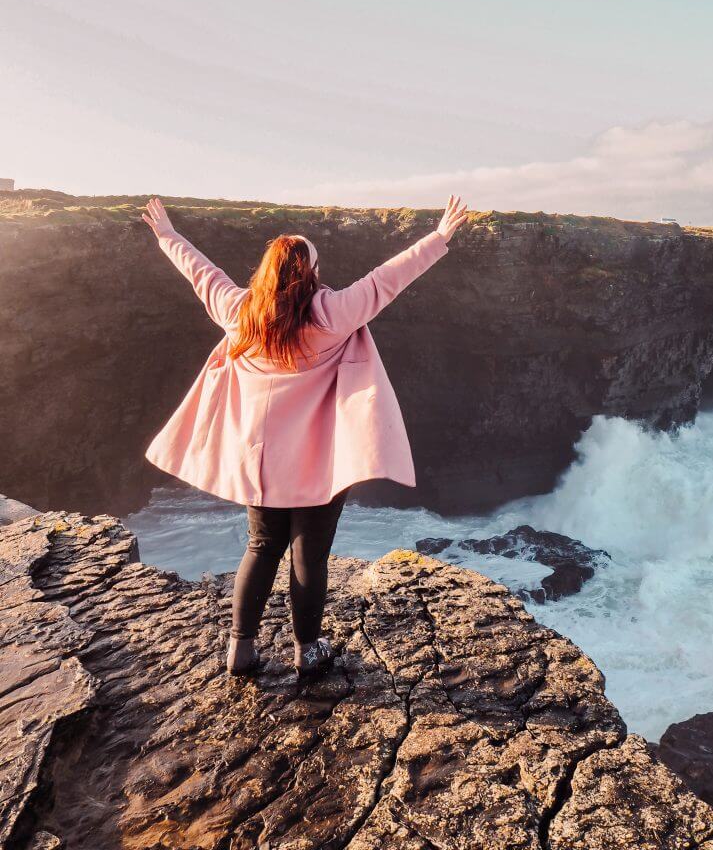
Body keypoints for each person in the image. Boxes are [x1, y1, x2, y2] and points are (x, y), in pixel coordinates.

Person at [141, 195, 469, 678]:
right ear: (309, 274)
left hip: (261, 459)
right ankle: (306, 651)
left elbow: (201, 273)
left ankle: (241, 649)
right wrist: (439, 236)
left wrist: (168, 235)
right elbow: (386, 279)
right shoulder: (330, 315)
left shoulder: (240, 313)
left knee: (260, 546)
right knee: (308, 556)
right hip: (319, 463)